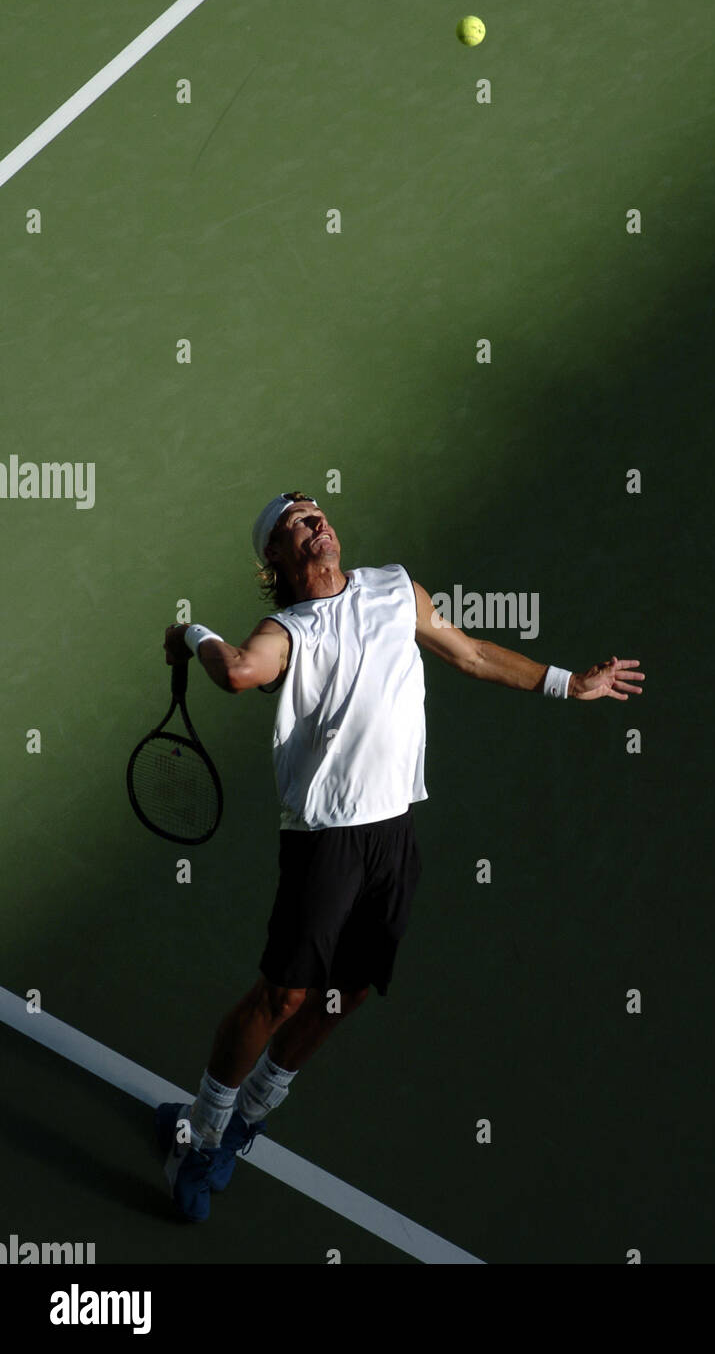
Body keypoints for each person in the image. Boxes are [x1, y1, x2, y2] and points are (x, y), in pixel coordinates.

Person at [155, 490, 643, 1221]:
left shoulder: (393, 589)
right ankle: (199, 1136)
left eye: (318, 514)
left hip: (393, 835)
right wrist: (192, 631)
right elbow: (238, 672)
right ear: (279, 560)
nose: (316, 524)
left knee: (341, 996)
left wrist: (568, 684)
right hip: (324, 841)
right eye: (297, 525)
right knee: (280, 996)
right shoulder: (287, 629)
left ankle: (245, 1124)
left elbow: (470, 652)